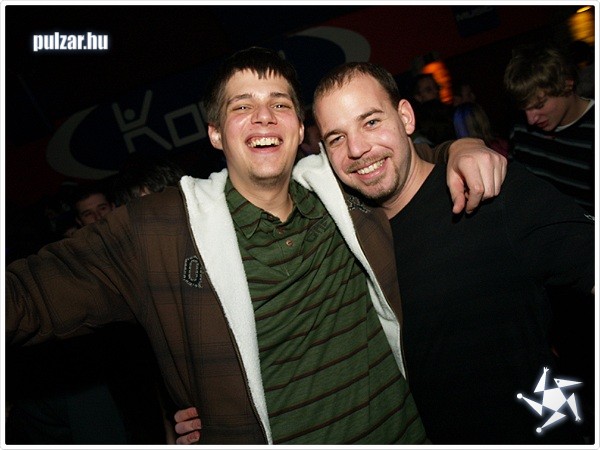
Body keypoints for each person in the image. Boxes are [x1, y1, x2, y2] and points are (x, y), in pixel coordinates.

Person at [5, 47, 505, 445]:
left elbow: (403, 163)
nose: (264, 117)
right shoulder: (160, 230)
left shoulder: (343, 190)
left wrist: (462, 147)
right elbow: (28, 296)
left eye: (280, 104)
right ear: (215, 133)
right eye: (242, 107)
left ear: (300, 128)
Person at [175, 61, 594, 445]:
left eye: (371, 121)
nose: (358, 149)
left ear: (406, 117)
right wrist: (213, 413)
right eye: (337, 138)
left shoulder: (490, 194)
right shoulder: (343, 227)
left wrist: (464, 146)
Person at [504, 42, 594, 215]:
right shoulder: (521, 129)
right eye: (524, 109)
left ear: (567, 84)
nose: (531, 119)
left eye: (539, 105)